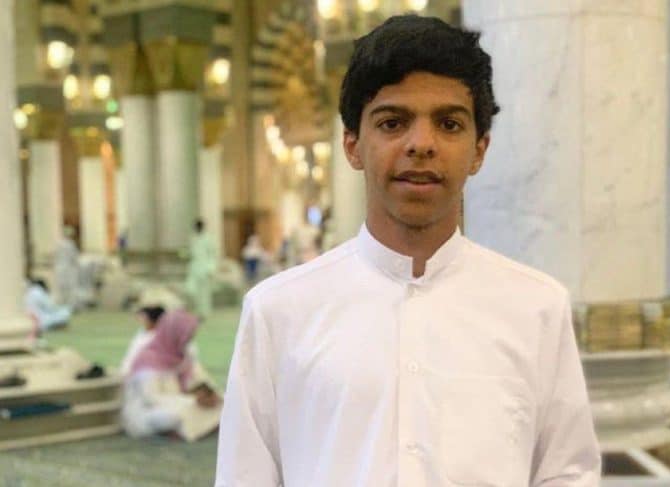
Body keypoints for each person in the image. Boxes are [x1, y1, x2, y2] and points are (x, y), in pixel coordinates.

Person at [215, 15, 600, 487]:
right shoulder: (279, 312)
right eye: (393, 123)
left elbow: (567, 473)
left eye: (449, 123)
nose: (421, 144)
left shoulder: (535, 308)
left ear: (479, 150)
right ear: (353, 146)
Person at [121, 309, 221, 442]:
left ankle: (195, 426)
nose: (188, 339)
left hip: (184, 403)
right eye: (186, 335)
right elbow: (151, 399)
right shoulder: (148, 360)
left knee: (224, 403)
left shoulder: (184, 357)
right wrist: (192, 400)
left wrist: (210, 395)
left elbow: (200, 381)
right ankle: (195, 426)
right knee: (173, 417)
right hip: (149, 411)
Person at [184, 219, 217, 320]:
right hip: (194, 268)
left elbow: (212, 255)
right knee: (192, 291)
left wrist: (211, 269)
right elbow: (191, 253)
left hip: (205, 269)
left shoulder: (208, 238)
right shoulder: (193, 238)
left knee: (204, 293)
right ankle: (196, 312)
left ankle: (204, 313)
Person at [53, 225, 80, 308]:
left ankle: (61, 304)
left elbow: (56, 256)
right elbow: (74, 257)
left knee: (61, 287)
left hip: (60, 268)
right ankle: (70, 305)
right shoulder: (70, 244)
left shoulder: (59, 244)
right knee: (70, 287)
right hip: (68, 268)